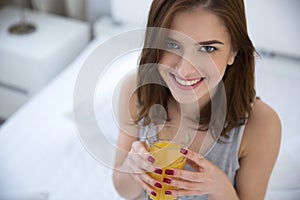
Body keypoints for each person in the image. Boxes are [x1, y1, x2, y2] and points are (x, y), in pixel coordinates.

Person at [112, 0, 281, 199]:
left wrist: (220, 187)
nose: (185, 70)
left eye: (207, 49)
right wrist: (134, 169)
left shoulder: (261, 124)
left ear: (233, 51)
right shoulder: (136, 90)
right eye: (171, 44)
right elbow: (123, 190)